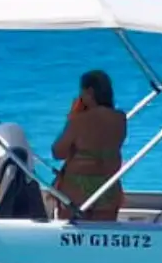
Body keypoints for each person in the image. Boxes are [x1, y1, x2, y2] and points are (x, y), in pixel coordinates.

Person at [50, 69, 127, 221]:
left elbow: (58, 152)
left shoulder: (80, 121)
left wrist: (72, 116)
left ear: (90, 91)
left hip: (78, 187)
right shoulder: (120, 119)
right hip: (108, 185)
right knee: (104, 237)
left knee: (72, 237)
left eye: (82, 92)